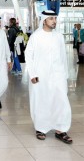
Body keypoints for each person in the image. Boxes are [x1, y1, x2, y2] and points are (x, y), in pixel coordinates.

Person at [25, 10, 72, 144]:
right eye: (51, 18)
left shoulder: (59, 36)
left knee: (61, 101)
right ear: (44, 20)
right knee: (42, 101)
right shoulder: (36, 36)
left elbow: (63, 56)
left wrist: (65, 74)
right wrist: (32, 73)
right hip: (41, 75)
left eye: (55, 18)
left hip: (58, 75)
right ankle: (41, 128)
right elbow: (28, 55)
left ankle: (61, 129)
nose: (54, 21)